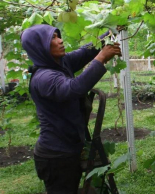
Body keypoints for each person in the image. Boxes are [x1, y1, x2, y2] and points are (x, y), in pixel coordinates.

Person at [21, 24, 121, 194]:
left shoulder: (60, 63)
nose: (60, 40)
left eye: (57, 35)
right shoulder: (44, 77)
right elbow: (75, 88)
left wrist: (111, 30)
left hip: (67, 150)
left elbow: (86, 51)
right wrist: (101, 58)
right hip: (56, 157)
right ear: (40, 47)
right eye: (52, 38)